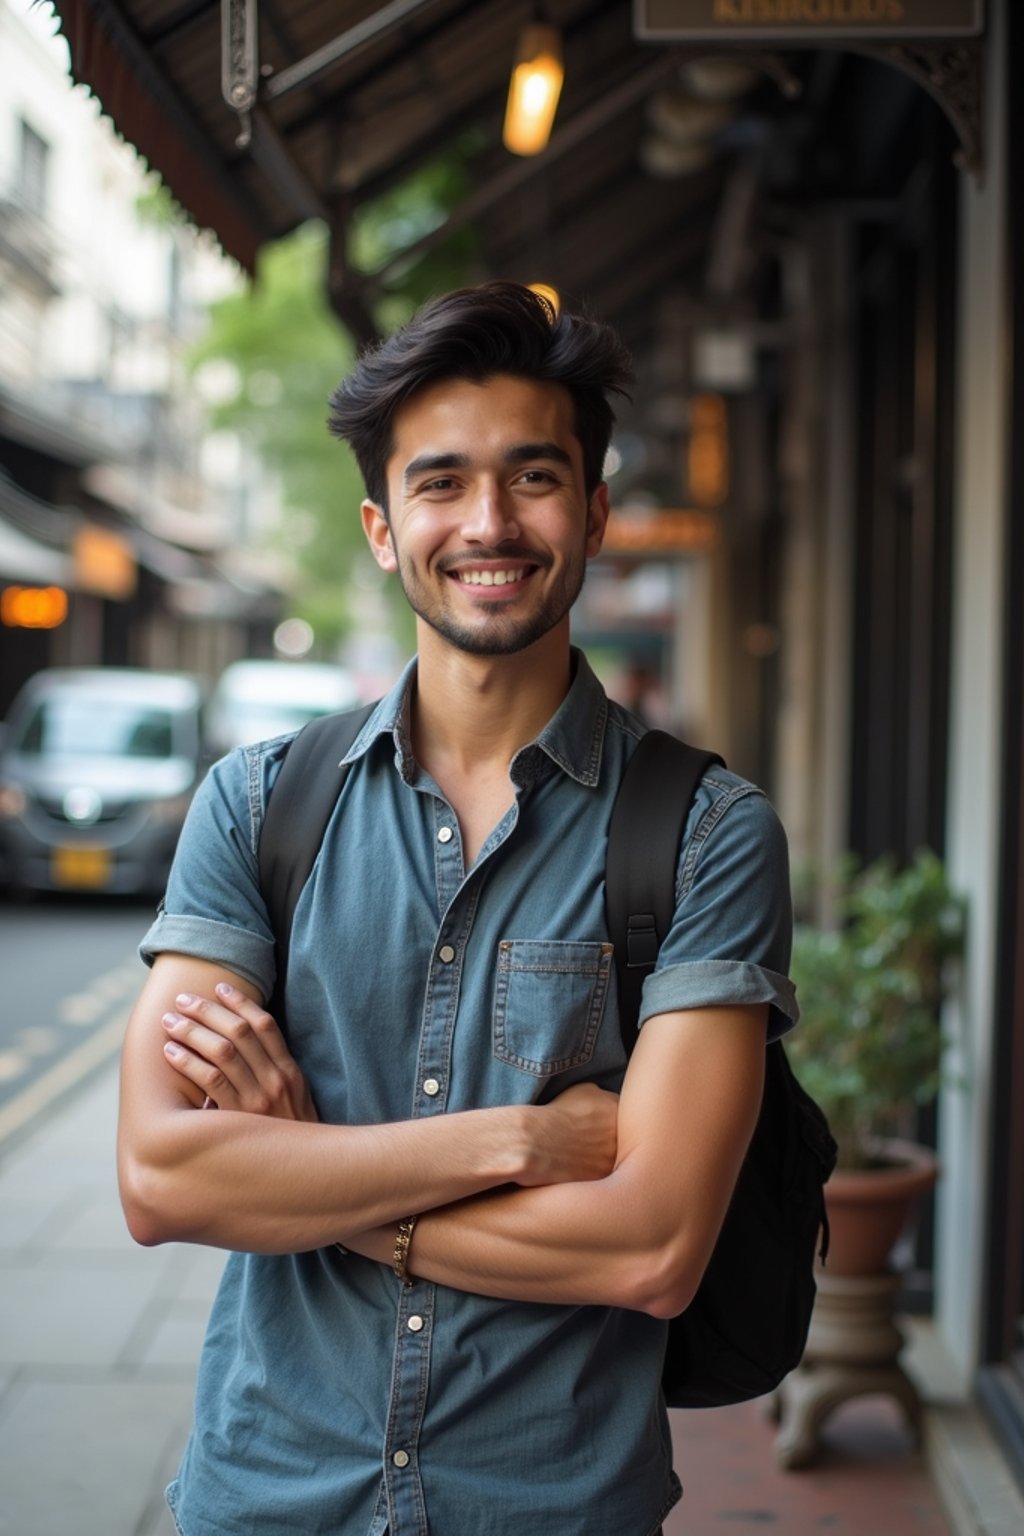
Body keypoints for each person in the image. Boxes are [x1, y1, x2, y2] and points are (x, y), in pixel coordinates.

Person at [118, 282, 798, 1536]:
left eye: (532, 478)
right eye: (440, 484)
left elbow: (651, 1249)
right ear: (383, 528)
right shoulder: (255, 805)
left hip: (551, 1506)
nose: (488, 522)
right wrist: (519, 1147)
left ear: (592, 514)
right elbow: (163, 1178)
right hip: (267, 1495)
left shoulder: (703, 835)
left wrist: (308, 1171)